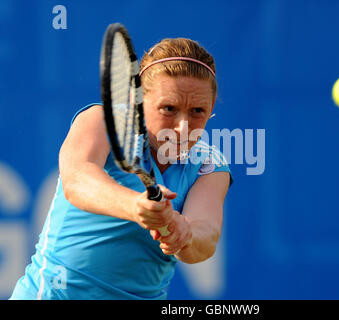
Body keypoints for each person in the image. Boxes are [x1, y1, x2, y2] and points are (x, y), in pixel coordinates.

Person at [10, 38, 232, 300]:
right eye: (169, 108)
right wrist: (137, 207)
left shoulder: (210, 163)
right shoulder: (101, 121)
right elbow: (77, 180)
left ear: (212, 106)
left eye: (197, 111)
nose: (183, 127)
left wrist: (183, 233)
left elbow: (205, 236)